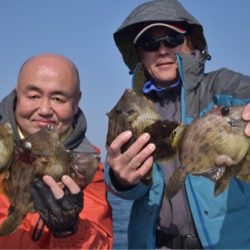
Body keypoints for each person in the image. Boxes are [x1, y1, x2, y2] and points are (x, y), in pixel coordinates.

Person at [104, 0, 250, 249]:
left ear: (190, 42)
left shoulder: (221, 86)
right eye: (150, 44)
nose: (162, 50)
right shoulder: (129, 110)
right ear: (138, 53)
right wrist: (121, 179)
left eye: (172, 39)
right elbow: (118, 174)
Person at [0, 53, 113, 249]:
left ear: (76, 102)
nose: (44, 109)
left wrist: (70, 232)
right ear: (17, 94)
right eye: (33, 96)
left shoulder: (85, 167)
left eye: (58, 99)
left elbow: (101, 242)